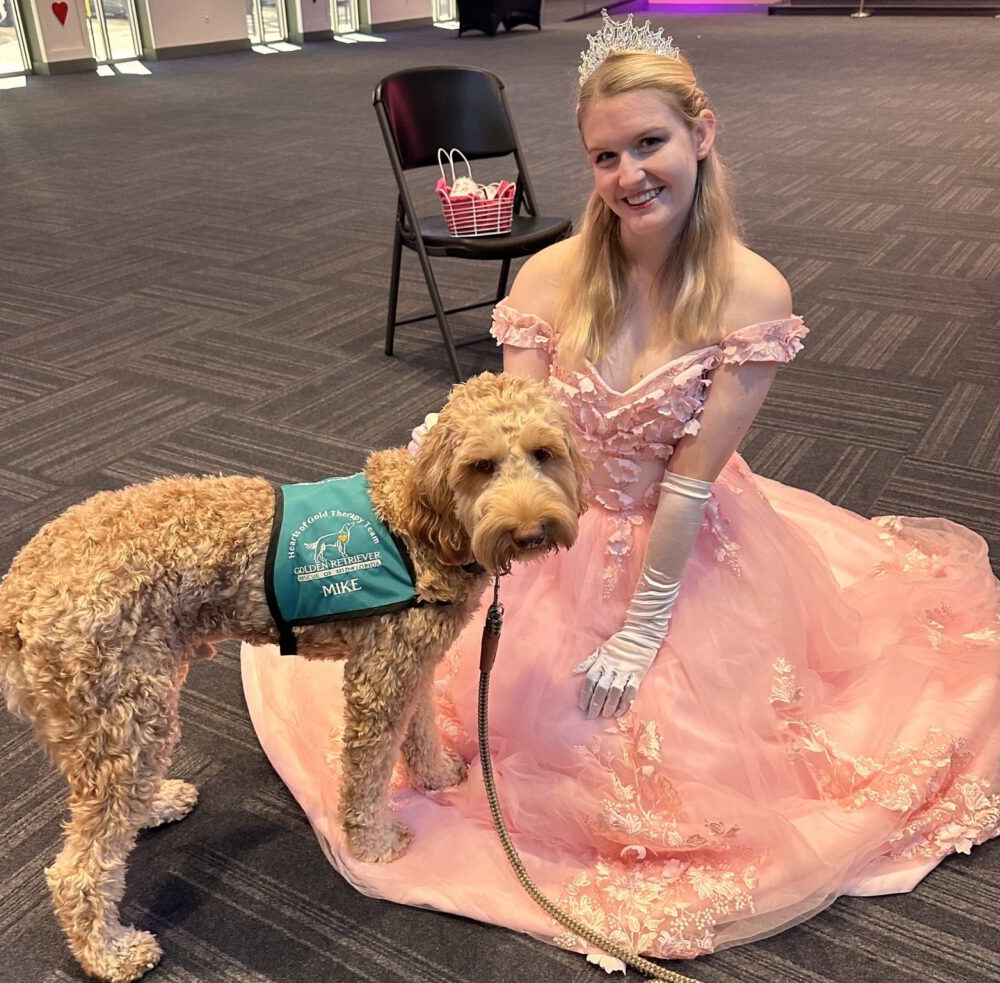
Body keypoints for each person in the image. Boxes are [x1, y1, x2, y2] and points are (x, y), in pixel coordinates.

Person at [241, 12, 1000, 966]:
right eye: (605, 156)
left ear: (703, 133)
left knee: (667, 760)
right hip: (551, 523)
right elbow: (509, 433)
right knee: (467, 687)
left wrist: (643, 625)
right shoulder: (554, 275)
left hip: (679, 535)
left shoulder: (750, 292)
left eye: (651, 144)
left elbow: (689, 482)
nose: (629, 175)